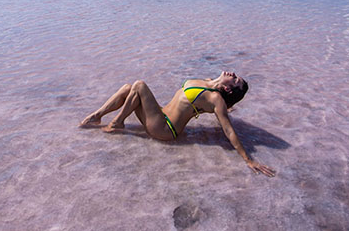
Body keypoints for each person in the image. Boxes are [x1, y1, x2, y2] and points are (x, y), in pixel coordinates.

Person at [79, 70, 276, 177]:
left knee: (139, 85)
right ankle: (97, 115)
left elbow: (228, 130)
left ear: (229, 89)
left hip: (165, 129)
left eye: (236, 79)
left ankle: (117, 122)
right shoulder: (208, 82)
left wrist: (248, 159)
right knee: (128, 87)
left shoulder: (216, 100)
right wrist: (228, 107)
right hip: (160, 114)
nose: (233, 73)